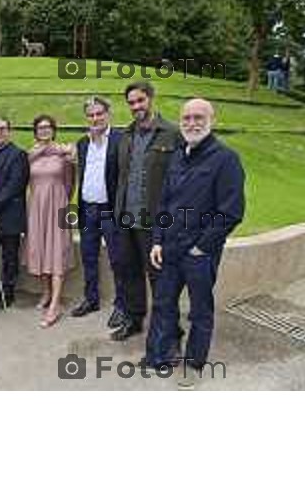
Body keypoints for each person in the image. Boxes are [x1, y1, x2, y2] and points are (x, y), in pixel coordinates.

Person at [145, 99, 245, 389]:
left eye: (198, 117)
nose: (192, 123)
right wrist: (157, 241)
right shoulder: (178, 154)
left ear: (212, 119)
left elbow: (231, 211)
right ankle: (159, 356)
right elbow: (164, 203)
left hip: (199, 254)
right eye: (186, 118)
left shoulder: (226, 159)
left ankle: (194, 364)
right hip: (169, 249)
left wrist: (202, 247)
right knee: (163, 304)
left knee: (200, 310)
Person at [110, 82, 180, 340]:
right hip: (126, 219)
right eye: (131, 103)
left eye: (140, 101)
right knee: (129, 273)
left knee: (160, 280)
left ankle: (167, 331)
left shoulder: (172, 133)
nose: (136, 107)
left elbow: (180, 179)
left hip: (155, 223)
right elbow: (121, 177)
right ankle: (134, 320)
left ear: (151, 99)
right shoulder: (125, 135)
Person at [70, 96, 126, 318]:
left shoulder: (120, 140)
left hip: (110, 210)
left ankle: (122, 304)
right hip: (87, 209)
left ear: (108, 114)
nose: (95, 118)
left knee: (118, 259)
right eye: (91, 115)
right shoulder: (82, 143)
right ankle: (91, 299)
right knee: (88, 257)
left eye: (99, 114)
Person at [25, 115, 75, 328]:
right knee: (40, 249)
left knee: (57, 251)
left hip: (59, 207)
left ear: (54, 130)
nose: (44, 131)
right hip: (37, 208)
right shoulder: (31, 155)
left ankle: (55, 303)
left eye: (48, 127)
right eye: (40, 128)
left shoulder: (64, 153)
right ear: (35, 132)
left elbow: (71, 183)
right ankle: (46, 292)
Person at [0, 118, 29, 308]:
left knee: (10, 256)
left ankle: (7, 292)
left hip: (10, 214)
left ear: (9, 131)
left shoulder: (19, 155)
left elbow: (14, 186)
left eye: (2, 129)